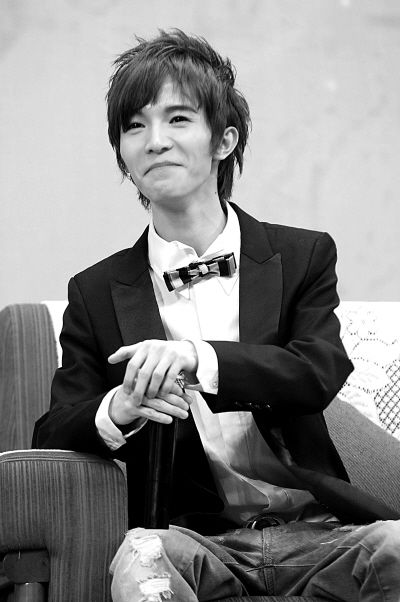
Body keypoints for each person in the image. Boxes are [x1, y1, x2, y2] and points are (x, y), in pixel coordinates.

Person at [34, 29, 400, 601]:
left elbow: (317, 370)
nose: (155, 141)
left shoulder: (301, 255)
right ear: (122, 154)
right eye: (134, 126)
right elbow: (54, 427)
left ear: (224, 140)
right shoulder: (96, 291)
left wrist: (198, 358)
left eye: (178, 119)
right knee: (141, 562)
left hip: (323, 531)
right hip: (193, 539)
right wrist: (119, 408)